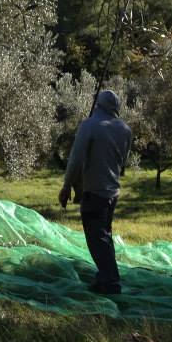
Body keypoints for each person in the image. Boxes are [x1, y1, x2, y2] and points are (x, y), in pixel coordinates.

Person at [58, 89, 133, 295]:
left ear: (97, 104)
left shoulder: (89, 125)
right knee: (104, 235)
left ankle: (110, 281)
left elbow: (75, 160)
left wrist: (66, 187)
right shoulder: (125, 129)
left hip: (95, 192)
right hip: (113, 192)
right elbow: (123, 162)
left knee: (97, 238)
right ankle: (106, 277)